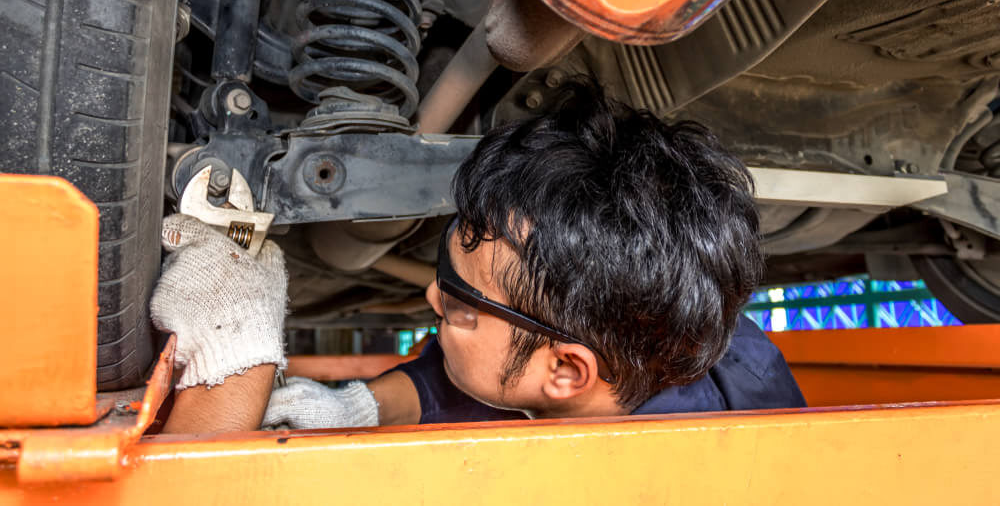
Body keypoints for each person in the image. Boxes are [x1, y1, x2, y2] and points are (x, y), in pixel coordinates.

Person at [153, 81, 804, 434]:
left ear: (566, 372)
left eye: (460, 303)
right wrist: (362, 406)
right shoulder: (673, 333)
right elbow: (470, 384)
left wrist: (229, 358)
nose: (433, 296)